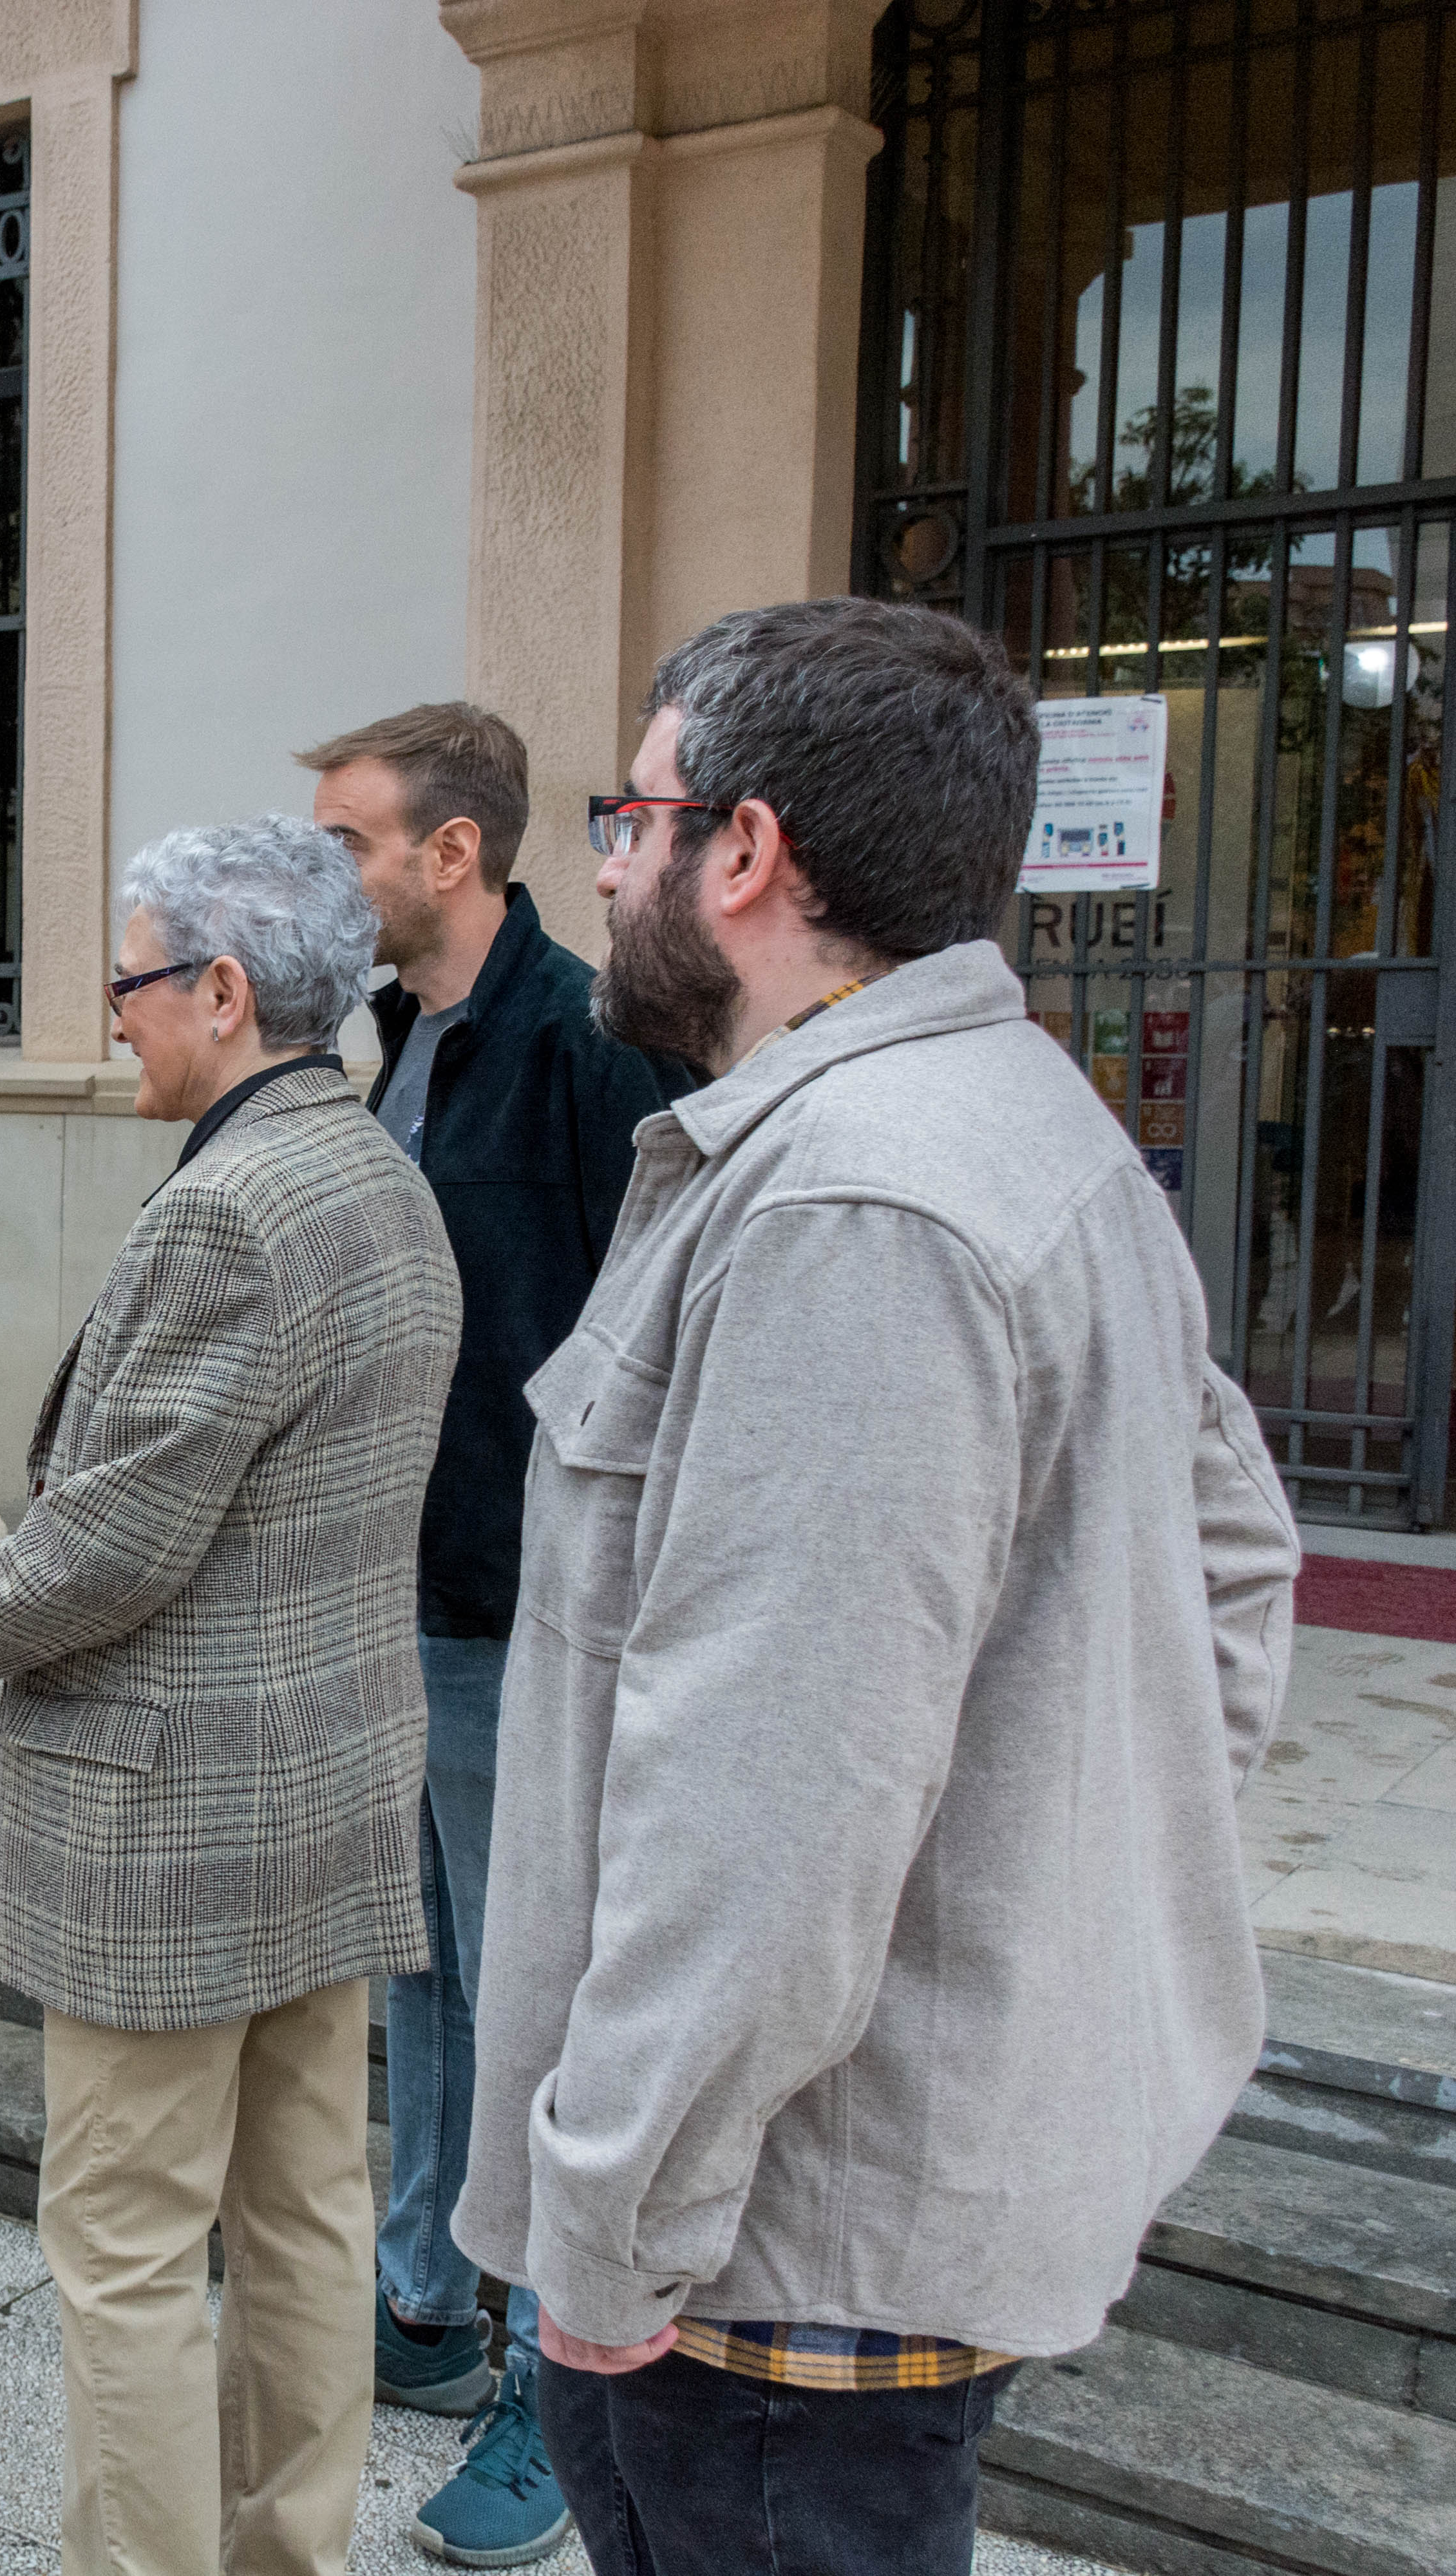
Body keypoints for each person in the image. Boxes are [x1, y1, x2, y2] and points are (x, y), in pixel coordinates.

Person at [459, 598, 1300, 2576]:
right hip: (851, 2206)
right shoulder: (1022, 1125)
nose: (598, 859)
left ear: (742, 852)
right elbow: (1240, 1568)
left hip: (774, 2270)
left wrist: (617, 2226)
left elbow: (766, 1805)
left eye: (629, 810)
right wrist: (1060, 1849)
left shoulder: (856, 1196)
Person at [0, 816, 457, 2576]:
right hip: (322, 1795)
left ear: (225, 994)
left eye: (133, 986)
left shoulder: (233, 1210)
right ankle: (284, 2553)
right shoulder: (376, 1168)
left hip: (178, 1827)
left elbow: (103, 1553)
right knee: (306, 2220)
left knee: (134, 2250)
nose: (115, 1025)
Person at [297, 702, 686, 2568]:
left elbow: (658, 1338)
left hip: (528, 1610)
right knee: (427, 1970)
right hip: (401, 1597)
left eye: (350, 839)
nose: (327, 871)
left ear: (453, 852)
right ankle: (429, 2306)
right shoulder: (395, 1042)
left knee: (533, 1987)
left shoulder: (592, 1044)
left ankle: (549, 2377)